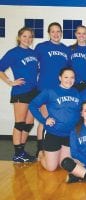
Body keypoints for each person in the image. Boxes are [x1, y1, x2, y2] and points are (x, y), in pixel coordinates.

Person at [29, 67, 80, 171]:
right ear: (60, 77)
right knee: (51, 168)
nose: (69, 80)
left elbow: (78, 111)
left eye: (72, 77)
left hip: (69, 135)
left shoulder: (76, 92)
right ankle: (42, 155)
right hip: (53, 134)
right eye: (66, 77)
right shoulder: (50, 91)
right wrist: (44, 120)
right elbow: (33, 105)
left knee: (63, 165)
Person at [0, 27, 38, 162]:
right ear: (19, 37)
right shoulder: (13, 53)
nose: (27, 39)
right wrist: (10, 82)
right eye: (24, 36)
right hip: (20, 92)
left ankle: (22, 151)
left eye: (30, 37)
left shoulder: (33, 53)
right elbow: (0, 68)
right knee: (20, 123)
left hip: (33, 92)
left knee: (29, 123)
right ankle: (17, 154)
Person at [34, 22, 71, 157]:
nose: (56, 34)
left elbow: (67, 71)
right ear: (49, 33)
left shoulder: (66, 50)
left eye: (58, 31)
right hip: (44, 90)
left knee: (56, 119)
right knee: (45, 120)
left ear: (61, 33)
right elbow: (33, 65)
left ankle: (54, 149)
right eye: (53, 31)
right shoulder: (41, 47)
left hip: (59, 92)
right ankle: (40, 149)